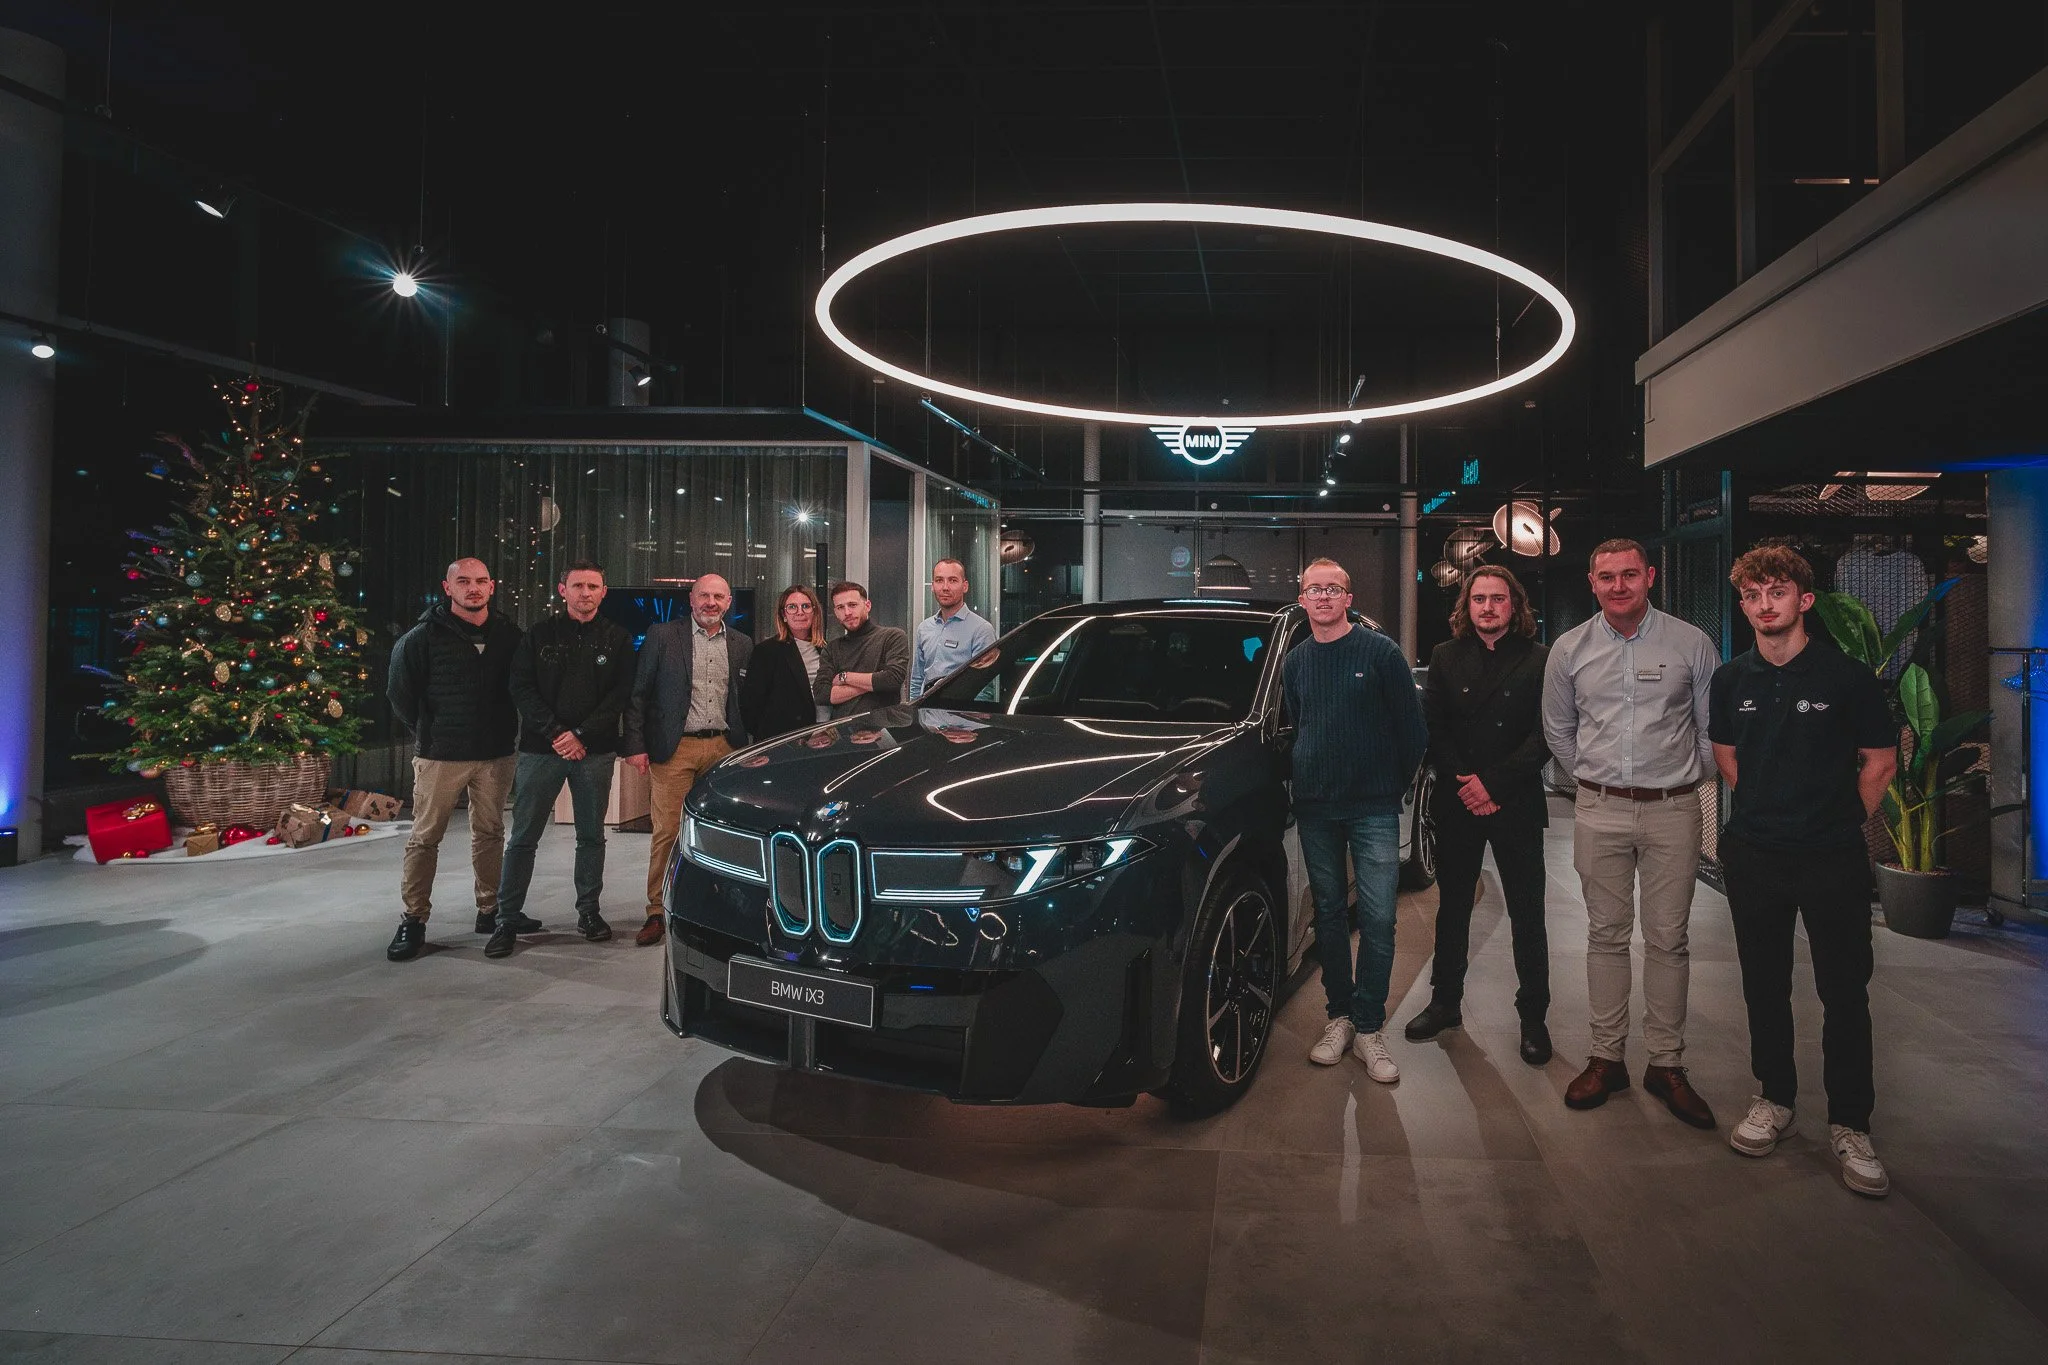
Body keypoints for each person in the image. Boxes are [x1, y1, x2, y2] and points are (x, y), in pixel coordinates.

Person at [1710, 545, 1898, 1196]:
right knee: (1765, 984)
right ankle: (1776, 1099)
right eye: (1755, 595)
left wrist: (1836, 819)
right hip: (1756, 853)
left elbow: (1880, 761)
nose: (1766, 605)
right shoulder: (1732, 679)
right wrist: (1769, 807)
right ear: (1745, 606)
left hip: (1832, 857)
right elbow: (1727, 754)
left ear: (1803, 600)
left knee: (1843, 991)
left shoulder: (1846, 677)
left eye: (1778, 592)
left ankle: (1851, 1122)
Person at [1542, 538, 1721, 1128]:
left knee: (1669, 938)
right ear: (1591, 584)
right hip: (1600, 810)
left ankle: (1667, 1064)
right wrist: (1596, 784)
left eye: (1629, 575)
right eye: (1606, 578)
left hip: (1674, 810)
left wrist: (1678, 779)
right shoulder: (1569, 650)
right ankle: (1606, 1057)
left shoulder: (1691, 643)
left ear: (1650, 576)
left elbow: (1709, 730)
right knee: (1605, 936)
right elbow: (1560, 732)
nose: (1618, 586)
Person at [1286, 557, 1429, 1083]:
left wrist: (1390, 786)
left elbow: (1412, 732)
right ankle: (1339, 1017)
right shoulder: (1296, 661)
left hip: (1372, 808)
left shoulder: (1382, 653)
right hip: (1317, 807)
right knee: (1326, 914)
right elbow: (1301, 723)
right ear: (1302, 599)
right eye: (1313, 589)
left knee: (1378, 917)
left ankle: (1369, 1024)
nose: (1322, 597)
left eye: (1333, 589)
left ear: (1349, 598)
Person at [1405, 565, 1554, 1065]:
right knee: (1452, 909)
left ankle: (1533, 1017)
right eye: (1478, 599)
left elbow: (1546, 734)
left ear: (1515, 606)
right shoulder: (1446, 657)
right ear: (1466, 608)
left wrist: (1494, 784)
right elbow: (1434, 728)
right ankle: (1445, 1002)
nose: (1487, 607)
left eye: (1497, 599)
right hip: (1460, 801)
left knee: (1528, 915)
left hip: (1515, 802)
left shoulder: (1540, 659)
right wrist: (1467, 782)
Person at [485, 560, 636, 960]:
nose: (586, 593)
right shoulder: (538, 635)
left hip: (594, 753)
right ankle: (506, 918)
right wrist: (557, 733)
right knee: (523, 839)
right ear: (562, 589)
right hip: (541, 750)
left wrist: (581, 735)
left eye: (593, 586)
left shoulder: (618, 638)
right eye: (578, 586)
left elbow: (620, 695)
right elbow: (521, 687)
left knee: (592, 837)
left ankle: (589, 912)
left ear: (604, 592)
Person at [384, 557, 523, 962]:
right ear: (448, 588)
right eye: (464, 581)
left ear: (492, 587)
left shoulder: (509, 635)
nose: (473, 588)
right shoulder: (420, 639)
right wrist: (433, 730)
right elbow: (400, 695)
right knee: (425, 838)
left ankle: (490, 910)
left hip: (495, 754)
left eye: (481, 581)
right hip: (441, 756)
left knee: (491, 833)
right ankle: (414, 919)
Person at [622, 573, 753, 949]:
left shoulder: (742, 644)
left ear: (729, 602)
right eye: (704, 596)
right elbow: (639, 694)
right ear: (691, 600)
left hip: (726, 750)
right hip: (675, 747)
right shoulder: (663, 635)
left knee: (725, 833)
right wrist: (635, 744)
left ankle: (718, 907)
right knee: (667, 830)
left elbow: (747, 701)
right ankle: (657, 911)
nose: (711, 602)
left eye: (719, 596)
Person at [741, 584, 830, 740]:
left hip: (825, 738)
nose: (800, 612)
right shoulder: (766, 651)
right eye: (792, 607)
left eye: (806, 606)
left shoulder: (827, 650)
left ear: (815, 612)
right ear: (783, 615)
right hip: (784, 743)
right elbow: (751, 706)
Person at [814, 581, 911, 720]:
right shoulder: (832, 649)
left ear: (867, 606)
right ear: (835, 612)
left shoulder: (893, 637)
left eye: (852, 605)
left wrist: (845, 677)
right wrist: (874, 684)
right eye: (840, 607)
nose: (847, 612)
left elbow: (893, 679)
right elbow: (821, 694)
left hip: (884, 732)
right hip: (844, 733)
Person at [909, 558, 997, 700]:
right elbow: (917, 679)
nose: (945, 587)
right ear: (932, 586)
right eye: (939, 580)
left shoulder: (981, 630)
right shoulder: (924, 628)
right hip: (926, 717)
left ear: (965, 586)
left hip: (961, 718)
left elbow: (984, 691)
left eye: (952, 580)